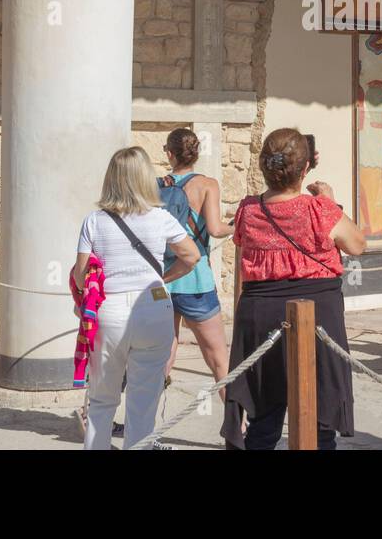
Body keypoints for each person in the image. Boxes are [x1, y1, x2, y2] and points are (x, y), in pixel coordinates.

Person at [221, 128, 367, 450]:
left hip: (261, 313)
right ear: (304, 170)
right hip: (318, 311)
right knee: (319, 416)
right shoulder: (319, 209)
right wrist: (329, 201)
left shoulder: (248, 210)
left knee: (264, 415)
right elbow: (357, 244)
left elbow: (242, 249)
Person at [74, 146, 201, 450]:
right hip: (153, 306)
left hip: (109, 309)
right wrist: (163, 279)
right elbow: (192, 256)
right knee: (144, 400)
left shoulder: (94, 221)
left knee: (102, 399)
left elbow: (81, 276)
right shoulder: (161, 218)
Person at [160, 129, 233, 413]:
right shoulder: (207, 185)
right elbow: (215, 229)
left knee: (163, 354)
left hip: (164, 279)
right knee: (218, 358)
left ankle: (146, 428)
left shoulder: (158, 184)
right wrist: (238, 226)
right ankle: (237, 430)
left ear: (169, 154)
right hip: (194, 279)